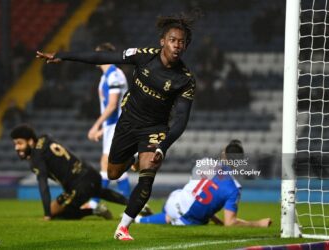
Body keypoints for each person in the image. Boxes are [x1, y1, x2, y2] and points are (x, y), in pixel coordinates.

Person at [36, 13, 197, 240]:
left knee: (148, 171)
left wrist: (163, 145)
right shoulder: (142, 56)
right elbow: (101, 56)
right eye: (173, 39)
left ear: (186, 46)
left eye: (182, 42)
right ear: (162, 41)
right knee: (113, 173)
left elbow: (181, 119)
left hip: (154, 129)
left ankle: (123, 227)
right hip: (128, 123)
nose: (177, 45)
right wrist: (63, 56)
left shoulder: (185, 80)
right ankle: (132, 160)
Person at [136, 140, 272, 227]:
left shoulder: (205, 162)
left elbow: (196, 193)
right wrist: (258, 223)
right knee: (194, 220)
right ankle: (140, 219)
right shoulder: (233, 188)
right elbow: (230, 223)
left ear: (223, 154)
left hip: (173, 200)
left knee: (174, 209)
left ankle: (142, 218)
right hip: (188, 219)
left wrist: (216, 219)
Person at [10, 124, 129, 220]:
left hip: (78, 185)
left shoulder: (36, 158)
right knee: (99, 192)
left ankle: (94, 210)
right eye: (15, 144)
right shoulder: (45, 138)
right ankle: (134, 205)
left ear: (30, 142)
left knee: (55, 212)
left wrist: (47, 214)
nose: (16, 148)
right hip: (90, 173)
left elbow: (43, 185)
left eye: (20, 143)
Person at [85, 43, 130, 209]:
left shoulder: (114, 75)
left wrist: (96, 126)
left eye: (97, 54)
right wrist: (104, 128)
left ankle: (95, 203)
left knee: (107, 162)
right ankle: (130, 202)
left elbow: (112, 105)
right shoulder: (105, 76)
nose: (94, 57)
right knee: (114, 165)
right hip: (112, 125)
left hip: (119, 125)